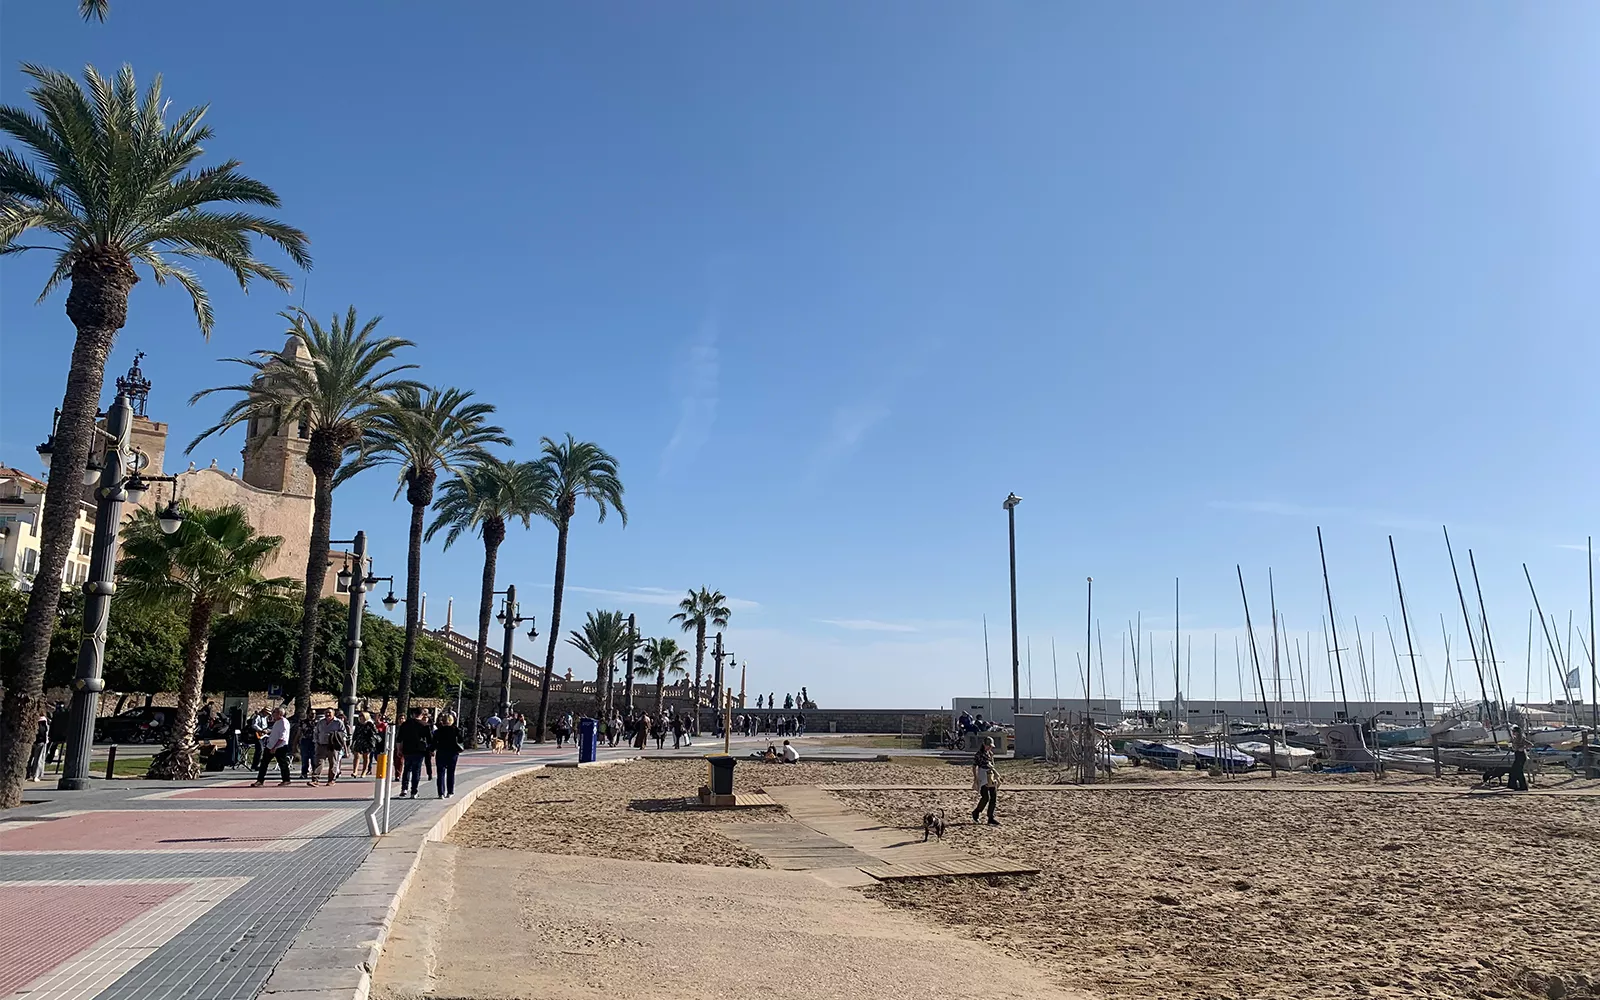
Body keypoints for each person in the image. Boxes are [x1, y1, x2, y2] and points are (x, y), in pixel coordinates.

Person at [250, 708, 294, 787]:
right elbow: (275, 732)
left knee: (282, 764)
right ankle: (260, 781)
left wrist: (275, 747)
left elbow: (282, 737)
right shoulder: (277, 722)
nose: (272, 714)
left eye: (274, 712)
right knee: (264, 763)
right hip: (270, 745)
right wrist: (268, 732)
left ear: (280, 714)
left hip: (279, 746)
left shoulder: (284, 722)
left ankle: (286, 780)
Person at [395, 706, 432, 799]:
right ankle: (414, 791)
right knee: (416, 771)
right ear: (422, 715)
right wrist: (431, 750)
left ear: (413, 714)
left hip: (407, 750)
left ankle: (404, 789)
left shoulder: (405, 724)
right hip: (419, 750)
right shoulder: (425, 725)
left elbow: (399, 739)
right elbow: (430, 739)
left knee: (407, 769)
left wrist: (399, 749)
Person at [312, 707, 347, 785]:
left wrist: (336, 737)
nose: (327, 714)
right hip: (321, 745)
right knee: (319, 762)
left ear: (333, 714)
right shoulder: (320, 722)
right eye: (326, 713)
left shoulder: (338, 722)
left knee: (333, 763)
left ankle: (331, 780)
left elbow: (344, 734)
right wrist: (316, 742)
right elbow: (316, 732)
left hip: (333, 745)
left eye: (329, 713)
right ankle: (315, 779)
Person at [433, 711, 464, 798]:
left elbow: (434, 742)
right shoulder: (456, 730)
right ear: (452, 720)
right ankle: (450, 792)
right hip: (453, 753)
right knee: (451, 772)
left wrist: (431, 750)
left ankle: (441, 793)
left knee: (440, 773)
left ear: (442, 721)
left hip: (441, 752)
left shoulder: (438, 731)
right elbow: (461, 740)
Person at [972, 736, 1000, 825]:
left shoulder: (990, 754)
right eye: (988, 746)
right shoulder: (979, 754)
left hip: (990, 775)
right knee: (985, 797)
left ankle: (990, 817)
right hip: (983, 776)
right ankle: (976, 812)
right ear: (984, 744)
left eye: (991, 746)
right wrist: (975, 778)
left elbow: (992, 765)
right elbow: (974, 766)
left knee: (993, 796)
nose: (990, 747)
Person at [352, 712, 378, 777]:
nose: (361, 717)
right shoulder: (358, 724)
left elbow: (375, 732)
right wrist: (353, 742)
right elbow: (355, 733)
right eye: (360, 716)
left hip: (367, 742)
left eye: (362, 716)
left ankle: (364, 771)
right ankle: (355, 771)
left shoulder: (370, 724)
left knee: (366, 757)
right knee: (356, 756)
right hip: (359, 741)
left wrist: (372, 726)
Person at [1509, 725, 1533, 791]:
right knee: (1514, 770)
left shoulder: (1521, 738)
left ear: (1517, 732)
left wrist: (1523, 748)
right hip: (1517, 754)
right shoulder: (1514, 738)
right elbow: (1513, 746)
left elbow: (1530, 744)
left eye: (1514, 731)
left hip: (1521, 755)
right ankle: (1512, 785)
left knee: (1519, 771)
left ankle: (1523, 786)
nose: (1513, 733)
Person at [28, 712, 49, 781]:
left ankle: (27, 774)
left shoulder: (31, 719)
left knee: (29, 759)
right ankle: (35, 775)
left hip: (32, 741)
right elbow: (43, 732)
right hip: (40, 742)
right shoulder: (43, 721)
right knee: (39, 759)